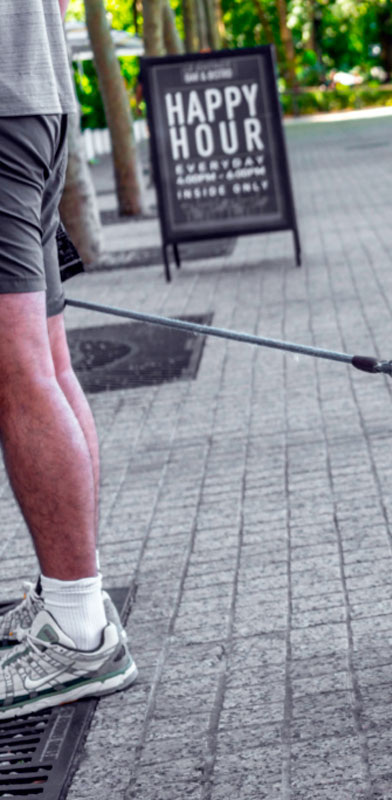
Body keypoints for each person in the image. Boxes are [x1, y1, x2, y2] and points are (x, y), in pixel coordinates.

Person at [0, 0, 136, 719]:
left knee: (18, 372)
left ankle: (80, 632)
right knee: (47, 363)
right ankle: (71, 603)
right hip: (38, 97)